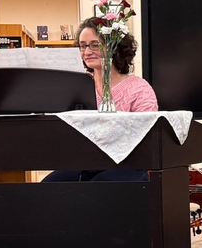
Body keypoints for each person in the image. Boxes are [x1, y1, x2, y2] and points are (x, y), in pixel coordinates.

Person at [43, 17, 157, 182]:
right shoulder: (75, 84)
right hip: (81, 163)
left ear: (114, 47)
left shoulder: (139, 88)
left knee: (100, 188)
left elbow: (148, 136)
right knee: (49, 185)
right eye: (82, 46)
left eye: (94, 45)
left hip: (125, 165)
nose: (87, 52)